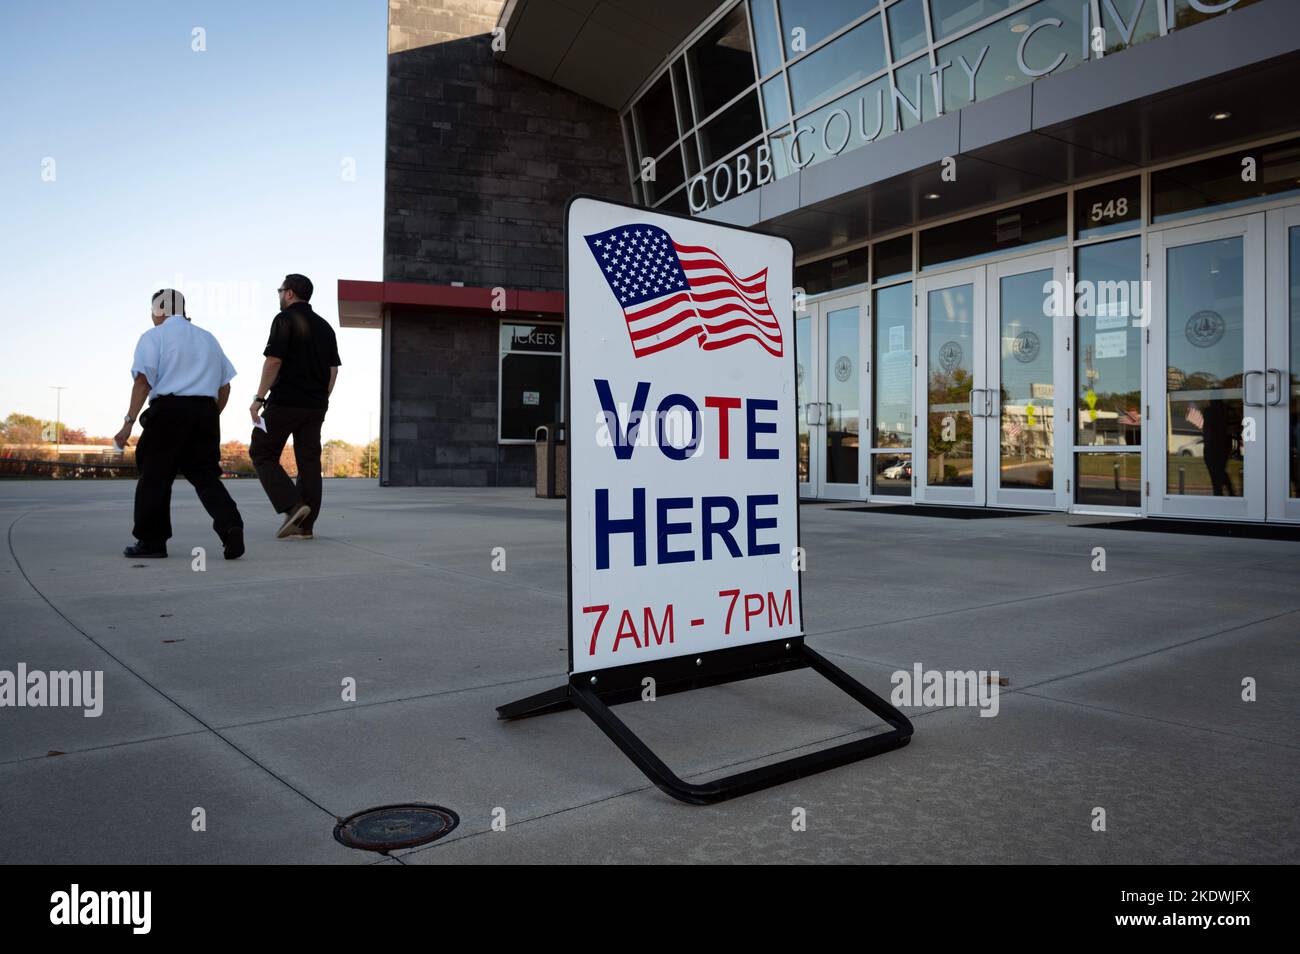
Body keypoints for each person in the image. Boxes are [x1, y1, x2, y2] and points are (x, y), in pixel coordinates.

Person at [116, 289, 244, 559]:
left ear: (160, 310)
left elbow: (142, 382)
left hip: (169, 413)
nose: (152, 316)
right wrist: (210, 416)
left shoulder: (154, 337)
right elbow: (226, 387)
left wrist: (128, 422)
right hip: (205, 412)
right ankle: (231, 525)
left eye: (152, 310)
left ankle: (152, 542)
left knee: (155, 477)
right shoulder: (208, 338)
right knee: (206, 476)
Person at [249, 274, 341, 539]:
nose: (279, 295)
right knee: (309, 462)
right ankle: (305, 526)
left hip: (285, 401)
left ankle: (293, 506)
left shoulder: (284, 319)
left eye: (280, 291)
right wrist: (322, 399)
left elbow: (273, 362)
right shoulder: (325, 327)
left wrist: (258, 398)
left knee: (262, 451)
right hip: (315, 405)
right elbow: (333, 370)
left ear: (289, 293)